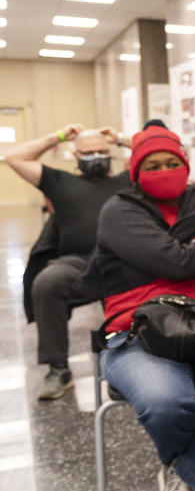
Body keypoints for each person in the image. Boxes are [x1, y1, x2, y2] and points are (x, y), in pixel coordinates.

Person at [75, 125, 195, 491]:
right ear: (136, 172)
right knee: (167, 400)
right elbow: (176, 262)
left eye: (173, 163)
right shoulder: (120, 211)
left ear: (186, 166)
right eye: (153, 165)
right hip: (136, 330)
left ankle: (188, 475)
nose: (164, 170)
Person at [7, 124, 130, 400]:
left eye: (101, 151)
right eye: (88, 152)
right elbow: (15, 157)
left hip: (120, 257)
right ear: (75, 155)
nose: (95, 156)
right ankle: (58, 368)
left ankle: (132, 358)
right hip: (76, 261)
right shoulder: (59, 181)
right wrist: (58, 136)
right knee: (47, 282)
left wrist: (119, 138)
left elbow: (164, 153)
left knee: (139, 278)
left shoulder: (126, 180)